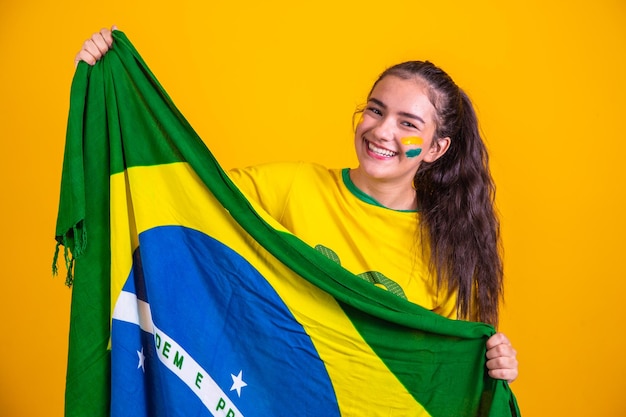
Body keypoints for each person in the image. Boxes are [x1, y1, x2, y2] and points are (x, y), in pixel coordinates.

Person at [75, 27, 519, 383]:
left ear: (436, 148)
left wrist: (494, 365)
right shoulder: (293, 186)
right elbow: (180, 189)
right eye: (375, 110)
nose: (382, 131)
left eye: (408, 124)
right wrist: (112, 92)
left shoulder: (445, 249)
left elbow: (444, 373)